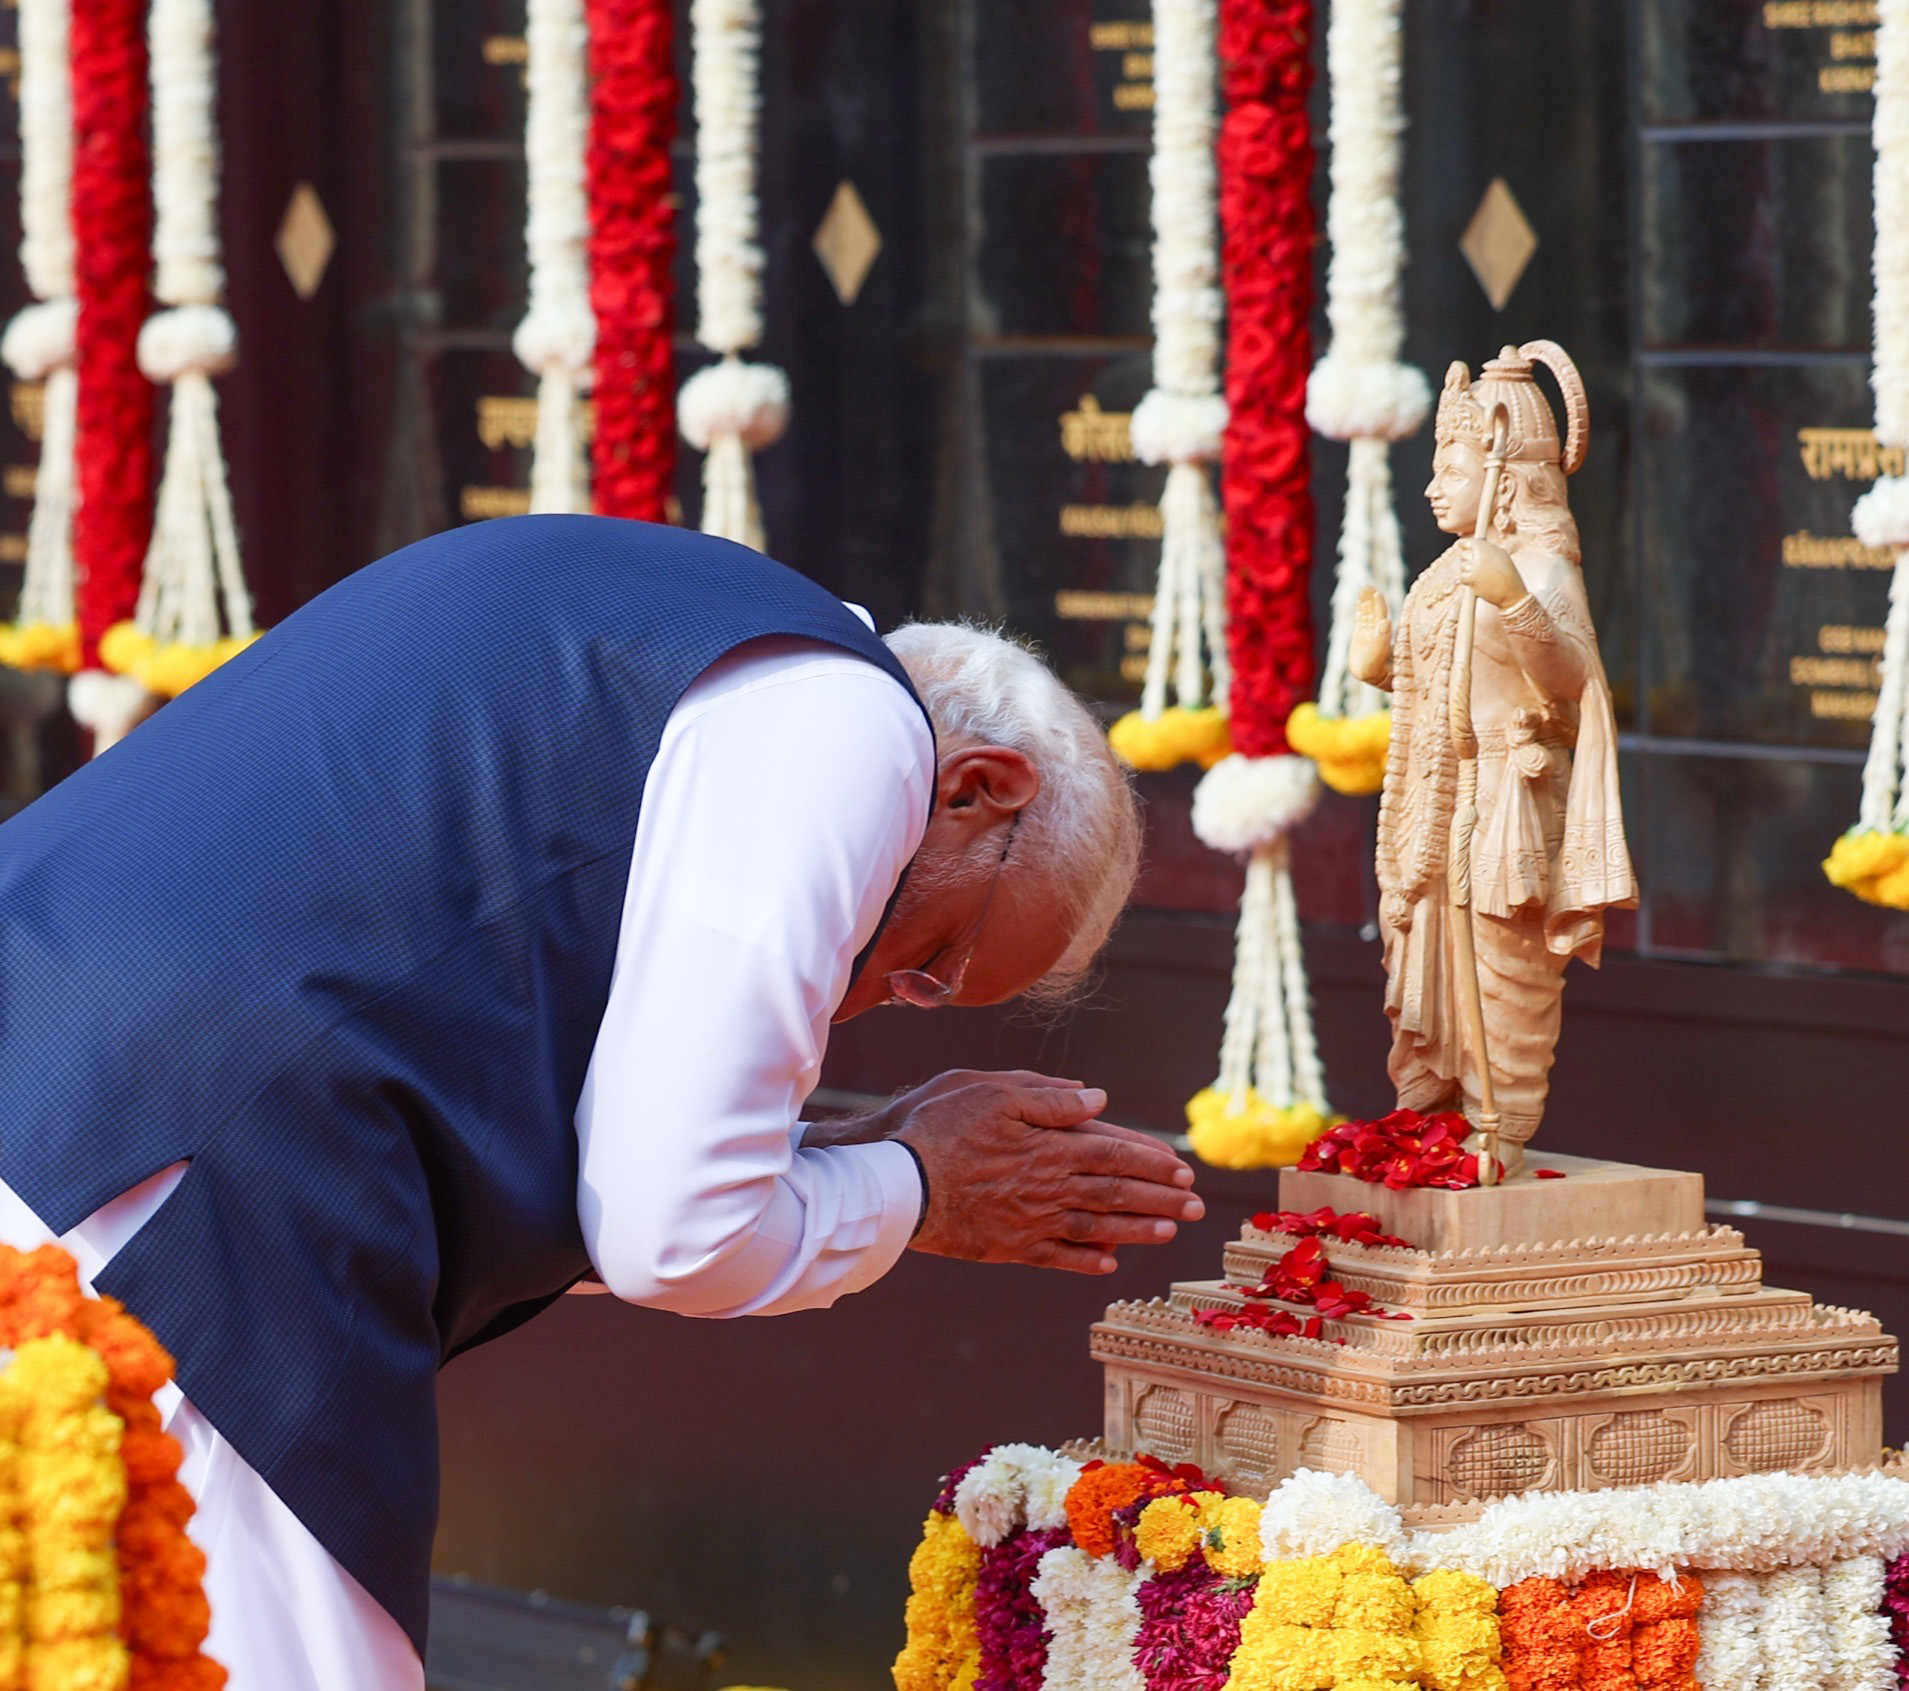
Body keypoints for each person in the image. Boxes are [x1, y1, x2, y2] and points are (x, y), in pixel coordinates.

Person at [0, 516, 1202, 1689]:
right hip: (165, 1188)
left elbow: (520, 1085)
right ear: (975, 788)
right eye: (931, 961)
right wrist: (924, 1185)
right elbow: (674, 1231)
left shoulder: (666, 627)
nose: (872, 1004)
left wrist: (838, 1152)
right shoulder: (848, 723)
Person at [1349, 345, 1635, 1170]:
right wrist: (1380, 666)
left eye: (1452, 465)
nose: (1434, 485)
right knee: (1428, 964)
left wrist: (1513, 597)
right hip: (1435, 808)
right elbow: (1438, 685)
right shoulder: (1447, 573)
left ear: (1503, 474)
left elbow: (1573, 683)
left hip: (1510, 801)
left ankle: (1496, 1128)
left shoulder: (1536, 566)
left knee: (1503, 972)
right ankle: (1434, 1113)